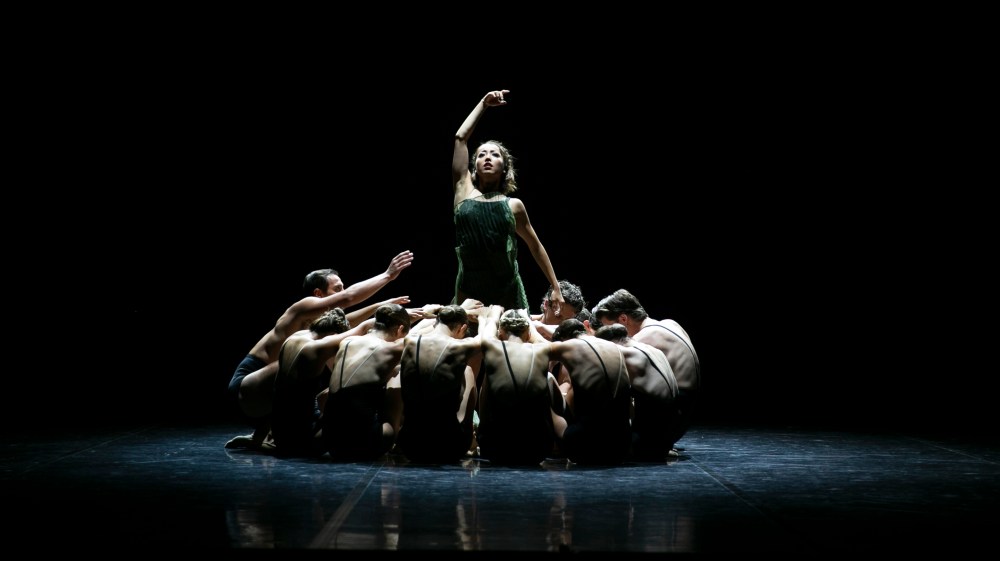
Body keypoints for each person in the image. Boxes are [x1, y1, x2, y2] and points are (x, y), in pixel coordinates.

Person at [225, 250, 414, 450]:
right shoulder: (303, 308)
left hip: (271, 399)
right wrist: (387, 275)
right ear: (318, 293)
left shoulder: (318, 326)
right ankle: (270, 435)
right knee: (308, 356)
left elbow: (347, 325)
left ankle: (264, 436)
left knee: (326, 359)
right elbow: (348, 300)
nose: (343, 291)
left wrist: (381, 307)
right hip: (249, 385)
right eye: (338, 289)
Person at [452, 89, 564, 312]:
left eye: (494, 155)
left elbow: (535, 246)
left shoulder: (513, 205)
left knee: (508, 342)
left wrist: (555, 286)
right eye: (482, 154)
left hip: (506, 288)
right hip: (468, 285)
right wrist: (483, 103)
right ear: (474, 166)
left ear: (505, 167)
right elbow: (460, 138)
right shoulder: (463, 190)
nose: (487, 158)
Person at [590, 289, 701, 451]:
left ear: (623, 319)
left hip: (673, 417)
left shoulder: (643, 338)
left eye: (608, 327)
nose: (608, 334)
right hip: (685, 411)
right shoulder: (670, 323)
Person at [323, 303, 429, 462]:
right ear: (399, 330)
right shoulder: (390, 349)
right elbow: (427, 337)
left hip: (331, 444)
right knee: (399, 374)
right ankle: (397, 439)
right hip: (364, 446)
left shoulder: (348, 342)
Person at [269, 309, 376, 458]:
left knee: (325, 393)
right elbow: (364, 328)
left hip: (279, 433)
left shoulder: (294, 337)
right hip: (299, 440)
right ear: (333, 335)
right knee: (352, 400)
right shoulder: (317, 348)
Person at [395, 304, 489, 464]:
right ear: (463, 328)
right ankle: (468, 431)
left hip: (411, 445)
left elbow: (419, 330)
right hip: (449, 446)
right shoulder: (459, 346)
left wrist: (430, 314)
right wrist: (486, 317)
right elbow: (486, 340)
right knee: (467, 370)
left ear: (435, 324)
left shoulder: (409, 341)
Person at [476, 307, 561, 466]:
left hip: (496, 449)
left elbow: (490, 326)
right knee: (547, 378)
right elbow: (544, 342)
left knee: (490, 376)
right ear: (528, 334)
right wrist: (527, 320)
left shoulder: (492, 346)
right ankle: (559, 442)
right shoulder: (541, 349)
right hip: (537, 449)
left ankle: (484, 431)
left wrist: (494, 311)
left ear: (500, 333)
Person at [548, 319, 633, 466]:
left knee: (546, 380)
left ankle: (551, 445)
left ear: (564, 340)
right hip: (622, 447)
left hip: (585, 448)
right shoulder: (614, 347)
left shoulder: (568, 347)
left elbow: (532, 353)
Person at [594, 323, 681, 461]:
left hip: (649, 439)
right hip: (670, 433)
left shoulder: (623, 353)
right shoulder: (654, 350)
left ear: (610, 343)